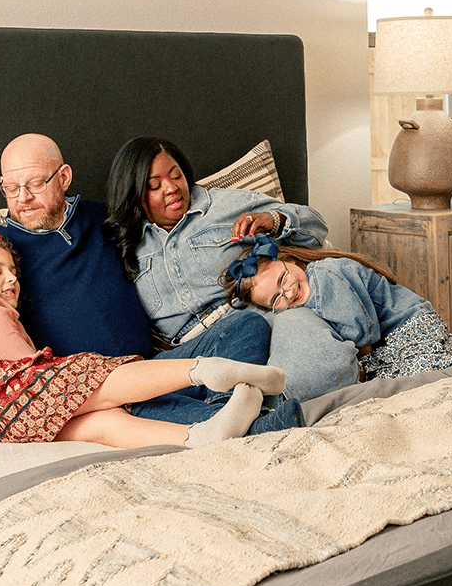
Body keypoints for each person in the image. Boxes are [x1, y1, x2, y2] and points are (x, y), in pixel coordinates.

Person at [0, 134, 299, 432]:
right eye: (10, 188)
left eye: (36, 183)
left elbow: (174, 235)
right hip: (102, 391)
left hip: (155, 362)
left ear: (63, 177)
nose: (23, 198)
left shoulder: (106, 218)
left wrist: (265, 226)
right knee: (146, 410)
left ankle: (227, 412)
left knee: (246, 325)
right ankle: (251, 424)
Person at [0, 228, 286, 448]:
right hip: (3, 402)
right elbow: (23, 366)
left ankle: (198, 436)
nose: (11, 278)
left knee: (102, 424)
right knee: (92, 376)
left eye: (12, 270)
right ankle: (205, 373)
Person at [106, 136, 359, 400]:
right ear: (134, 193)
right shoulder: (126, 244)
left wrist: (273, 221)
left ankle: (257, 405)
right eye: (154, 186)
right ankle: (251, 406)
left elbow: (316, 228)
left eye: (176, 176)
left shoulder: (224, 206)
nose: (171, 188)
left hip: (260, 322)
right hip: (194, 351)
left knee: (315, 372)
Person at [220, 235, 452, 380]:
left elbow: (364, 336)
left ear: (289, 260)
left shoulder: (325, 280)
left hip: (411, 324)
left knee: (400, 377)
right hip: (389, 338)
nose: (288, 293)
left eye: (282, 279)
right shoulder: (301, 289)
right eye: (276, 300)